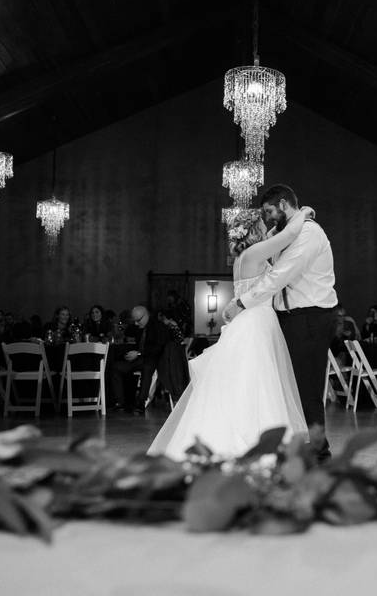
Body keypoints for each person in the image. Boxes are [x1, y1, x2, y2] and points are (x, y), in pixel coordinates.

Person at [149, 203, 316, 459]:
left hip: (248, 322)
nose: (266, 227)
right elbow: (287, 236)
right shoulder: (254, 254)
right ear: (253, 231)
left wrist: (271, 229)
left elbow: (274, 238)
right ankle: (256, 445)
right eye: (262, 225)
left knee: (244, 382)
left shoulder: (244, 257)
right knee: (258, 384)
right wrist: (303, 213)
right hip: (256, 324)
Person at [222, 184, 337, 460]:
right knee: (290, 384)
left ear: (284, 204)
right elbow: (279, 235)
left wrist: (241, 302)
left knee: (308, 386)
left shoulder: (309, 233)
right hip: (288, 318)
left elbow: (279, 277)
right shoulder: (285, 234)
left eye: (270, 211)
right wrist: (301, 214)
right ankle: (299, 442)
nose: (268, 218)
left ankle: (320, 450)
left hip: (311, 315)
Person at [109, 305, 174, 413]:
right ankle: (120, 402)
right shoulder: (138, 327)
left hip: (153, 359)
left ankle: (141, 402)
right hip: (139, 358)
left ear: (146, 315)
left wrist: (138, 353)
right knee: (116, 367)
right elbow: (128, 334)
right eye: (134, 320)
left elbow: (158, 347)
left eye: (138, 320)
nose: (136, 323)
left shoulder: (158, 327)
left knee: (147, 368)